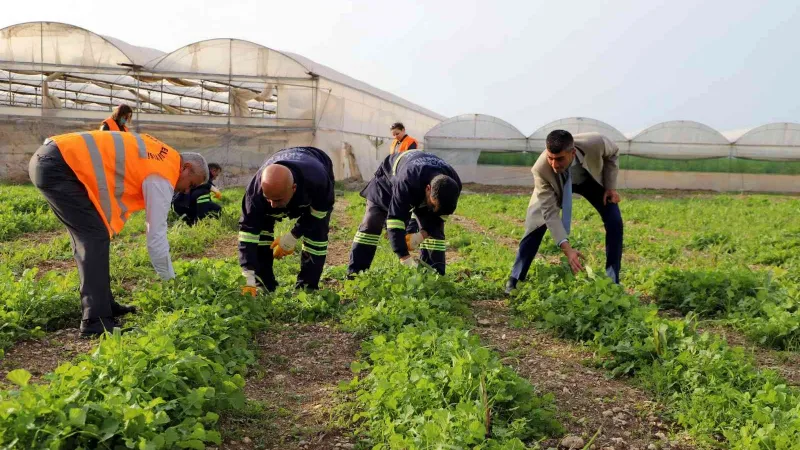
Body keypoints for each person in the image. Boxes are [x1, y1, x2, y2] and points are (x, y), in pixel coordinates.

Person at [28, 130, 209, 336]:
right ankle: (95, 321)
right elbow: (156, 235)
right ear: (186, 168)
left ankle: (104, 305)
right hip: (60, 166)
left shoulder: (162, 156)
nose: (186, 191)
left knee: (94, 236)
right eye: (191, 184)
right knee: (94, 237)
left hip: (54, 159)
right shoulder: (162, 172)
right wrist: (170, 281)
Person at [505, 130, 623, 294]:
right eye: (550, 158)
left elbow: (613, 153)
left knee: (614, 221)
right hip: (555, 184)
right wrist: (568, 249)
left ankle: (613, 280)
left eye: (559, 158)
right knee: (536, 224)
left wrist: (610, 187)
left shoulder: (596, 142)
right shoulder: (541, 169)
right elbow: (550, 214)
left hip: (589, 180)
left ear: (573, 152)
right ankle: (515, 279)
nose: (554, 164)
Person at [348, 150, 461, 276]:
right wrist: (404, 257)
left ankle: (434, 276)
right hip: (387, 182)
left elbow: (439, 216)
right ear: (428, 189)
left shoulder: (453, 183)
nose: (433, 209)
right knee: (372, 222)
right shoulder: (408, 179)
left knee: (436, 231)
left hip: (421, 182)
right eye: (433, 204)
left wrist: (423, 234)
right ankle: (356, 275)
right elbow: (395, 219)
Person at [239, 147, 334, 294]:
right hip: (282, 162)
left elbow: (318, 213)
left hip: (316, 161)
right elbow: (248, 233)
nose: (273, 205)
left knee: (317, 235)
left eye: (277, 200)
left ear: (294, 188)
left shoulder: (318, 180)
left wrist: (293, 235)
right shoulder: (255, 193)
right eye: (268, 199)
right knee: (262, 232)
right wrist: (248, 274)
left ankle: (307, 288)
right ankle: (262, 284)